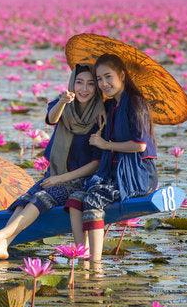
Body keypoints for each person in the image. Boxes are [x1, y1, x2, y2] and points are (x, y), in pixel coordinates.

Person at [0, 64, 106, 259]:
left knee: (41, 198)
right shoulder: (63, 104)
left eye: (90, 84)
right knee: (24, 201)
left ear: (97, 87)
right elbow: (52, 119)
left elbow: (96, 163)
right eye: (79, 83)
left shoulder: (101, 115)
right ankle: (4, 245)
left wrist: (61, 179)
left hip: (80, 180)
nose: (84, 89)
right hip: (54, 174)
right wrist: (63, 102)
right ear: (72, 84)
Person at [65, 54, 158, 268]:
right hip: (114, 174)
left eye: (108, 77)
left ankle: (95, 264)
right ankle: (81, 258)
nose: (103, 84)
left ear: (122, 76)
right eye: (99, 79)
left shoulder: (135, 103)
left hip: (138, 174)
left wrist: (105, 145)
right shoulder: (110, 107)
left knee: (94, 199)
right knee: (76, 198)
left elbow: (139, 145)